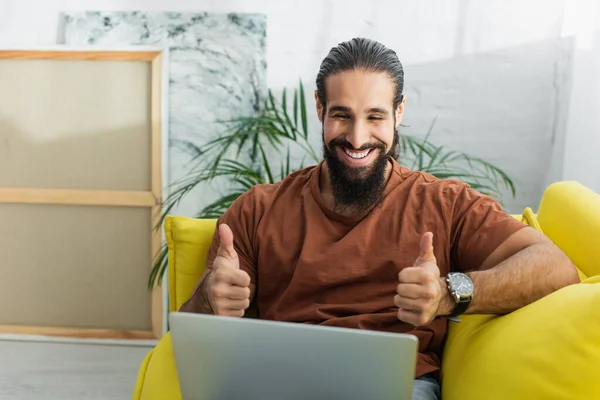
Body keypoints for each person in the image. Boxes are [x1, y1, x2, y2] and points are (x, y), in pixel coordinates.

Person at [180, 37, 579, 400]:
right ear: (319, 107)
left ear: (398, 111)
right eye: (341, 115)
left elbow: (555, 267)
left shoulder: (445, 203)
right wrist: (209, 298)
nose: (357, 138)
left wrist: (447, 293)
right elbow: (187, 334)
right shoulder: (256, 209)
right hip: (279, 383)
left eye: (374, 116)